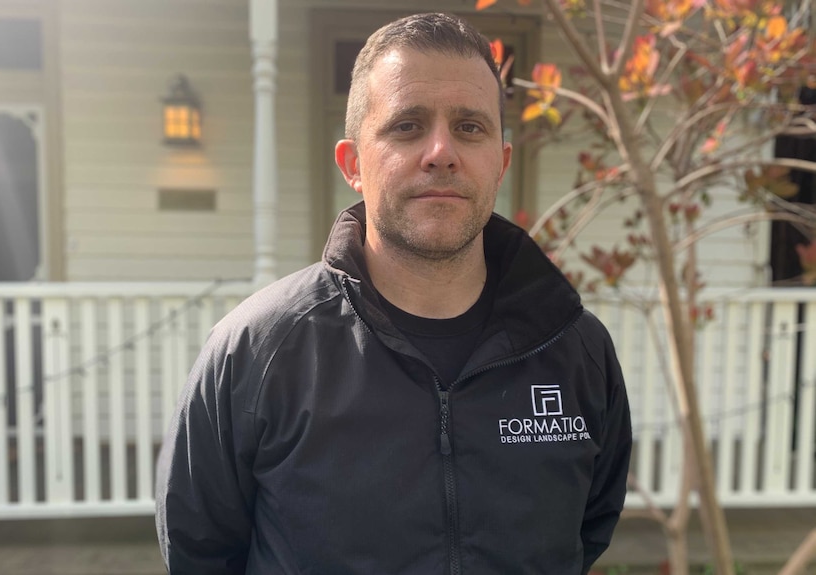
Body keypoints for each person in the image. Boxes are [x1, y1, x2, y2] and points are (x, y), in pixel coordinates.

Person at [155, 12, 632, 575]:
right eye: (407, 125)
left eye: (470, 127)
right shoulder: (256, 353)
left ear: (500, 164)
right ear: (353, 164)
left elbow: (587, 529)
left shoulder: (576, 351)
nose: (440, 151)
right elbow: (199, 551)